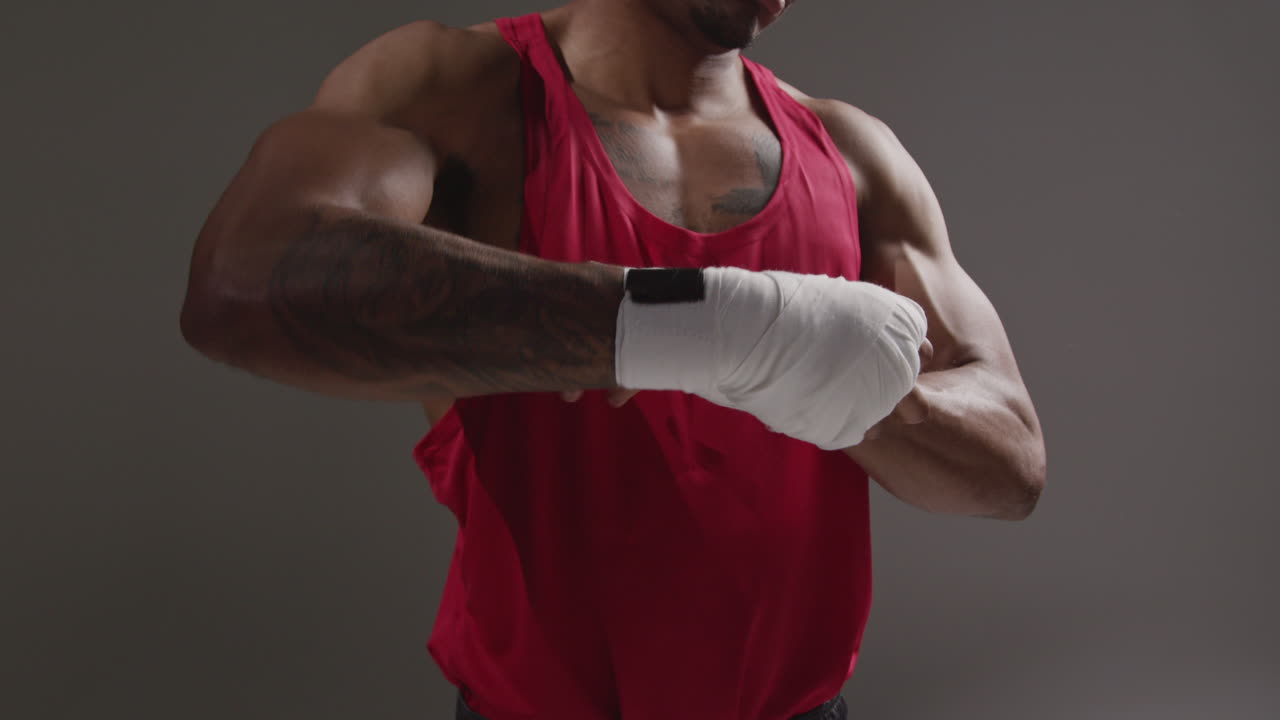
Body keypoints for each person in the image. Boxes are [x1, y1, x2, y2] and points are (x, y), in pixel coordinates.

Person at [180, 1, 1048, 718]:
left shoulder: (854, 156)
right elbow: (245, 278)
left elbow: (1013, 465)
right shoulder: (458, 91)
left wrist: (848, 380)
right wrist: (709, 330)